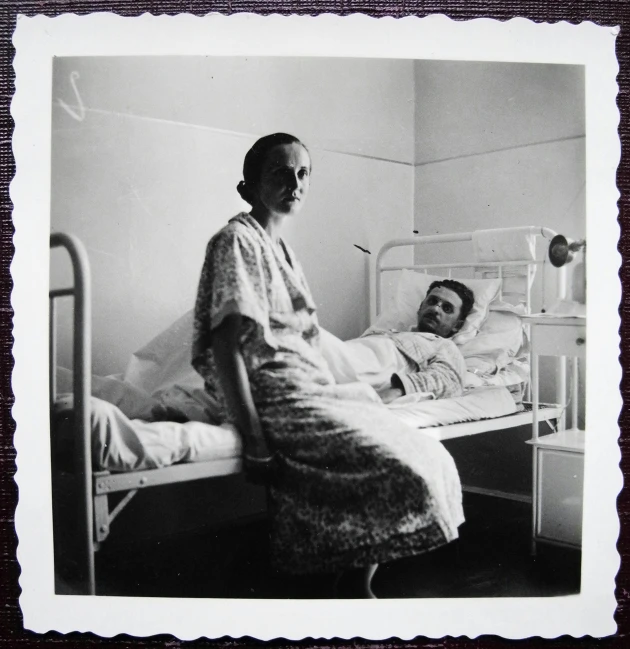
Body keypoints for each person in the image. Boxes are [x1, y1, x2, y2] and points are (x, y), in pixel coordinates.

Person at [192, 133, 464, 598]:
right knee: (404, 468)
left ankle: (352, 584)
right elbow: (225, 346)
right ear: (248, 186)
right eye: (279, 172)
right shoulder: (235, 240)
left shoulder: (284, 251)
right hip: (276, 392)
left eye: (302, 174)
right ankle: (345, 586)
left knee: (432, 457)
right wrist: (254, 437)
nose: (294, 183)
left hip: (314, 384)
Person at [374, 280, 475, 404]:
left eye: (447, 308)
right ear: (421, 306)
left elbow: (449, 380)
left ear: (456, 325)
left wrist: (394, 392)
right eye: (432, 301)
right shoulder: (385, 332)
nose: (435, 309)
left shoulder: (444, 345)